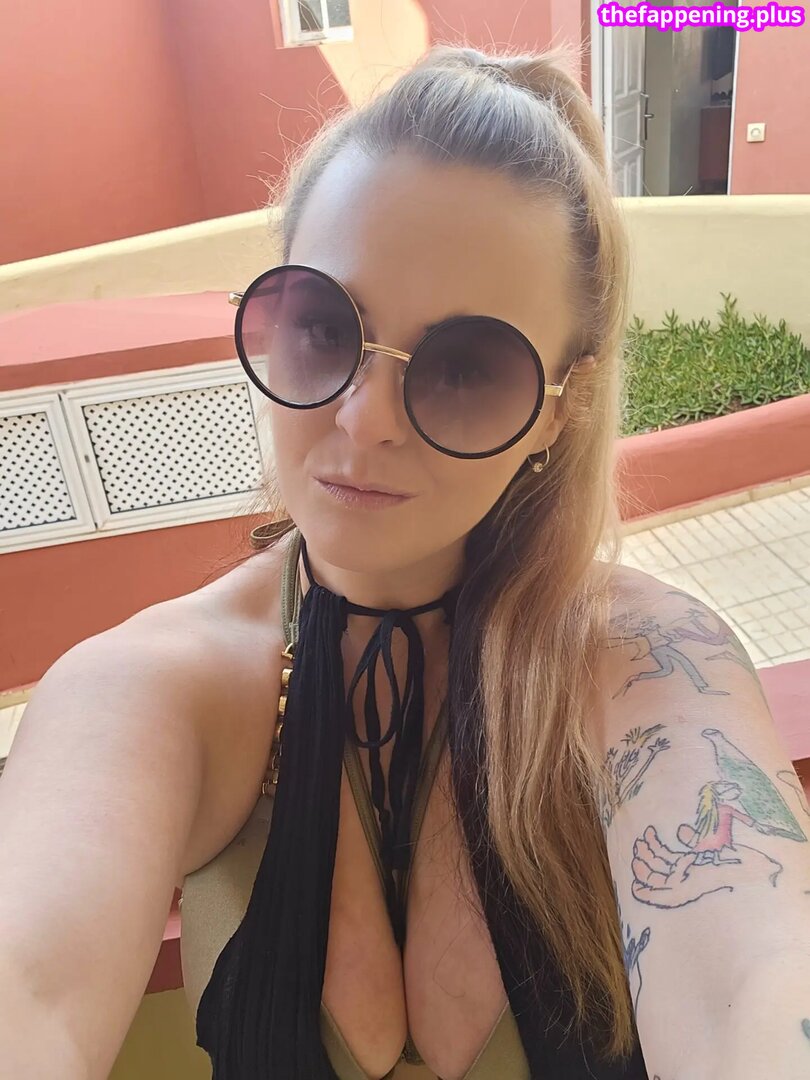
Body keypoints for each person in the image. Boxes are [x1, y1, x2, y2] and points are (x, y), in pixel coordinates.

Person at [2, 41, 808, 1080]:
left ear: (558, 409)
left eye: (465, 367)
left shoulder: (642, 668)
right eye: (323, 326)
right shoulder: (155, 688)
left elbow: (754, 982)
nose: (364, 418)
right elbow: (29, 978)